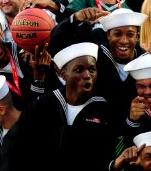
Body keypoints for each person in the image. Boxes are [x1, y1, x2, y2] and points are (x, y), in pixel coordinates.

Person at [6, 42, 120, 171]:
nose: (87, 75)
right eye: (79, 69)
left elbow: (112, 154)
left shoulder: (105, 109)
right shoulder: (44, 105)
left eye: (92, 69)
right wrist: (38, 79)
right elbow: (20, 142)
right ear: (63, 74)